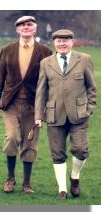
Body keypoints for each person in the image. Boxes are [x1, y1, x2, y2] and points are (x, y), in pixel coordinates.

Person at [0, 16, 52, 194]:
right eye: (22, 25)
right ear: (17, 29)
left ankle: (27, 183)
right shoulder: (7, 50)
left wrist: (47, 106)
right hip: (11, 103)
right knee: (11, 138)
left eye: (29, 25)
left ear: (35, 28)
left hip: (34, 105)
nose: (25, 27)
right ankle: (10, 178)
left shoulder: (45, 51)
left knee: (30, 143)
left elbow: (49, 81)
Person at [34, 29, 97, 200]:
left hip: (79, 114)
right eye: (59, 41)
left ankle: (75, 176)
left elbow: (92, 87)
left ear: (72, 42)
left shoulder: (84, 59)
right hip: (54, 114)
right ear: (54, 43)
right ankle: (62, 189)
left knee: (81, 150)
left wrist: (89, 108)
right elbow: (41, 91)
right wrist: (38, 115)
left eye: (65, 41)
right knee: (57, 153)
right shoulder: (46, 63)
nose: (62, 44)